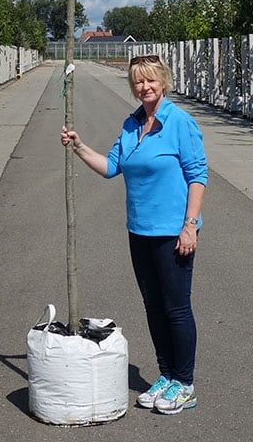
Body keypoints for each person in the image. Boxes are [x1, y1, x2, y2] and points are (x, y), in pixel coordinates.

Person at [61, 53, 207, 416]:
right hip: (139, 231)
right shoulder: (131, 125)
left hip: (173, 233)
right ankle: (166, 374)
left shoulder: (179, 123)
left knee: (176, 308)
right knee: (153, 308)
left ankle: (185, 383)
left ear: (164, 81)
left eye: (151, 80)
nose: (144, 87)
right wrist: (79, 146)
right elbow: (111, 167)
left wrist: (190, 225)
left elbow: (198, 176)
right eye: (138, 82)